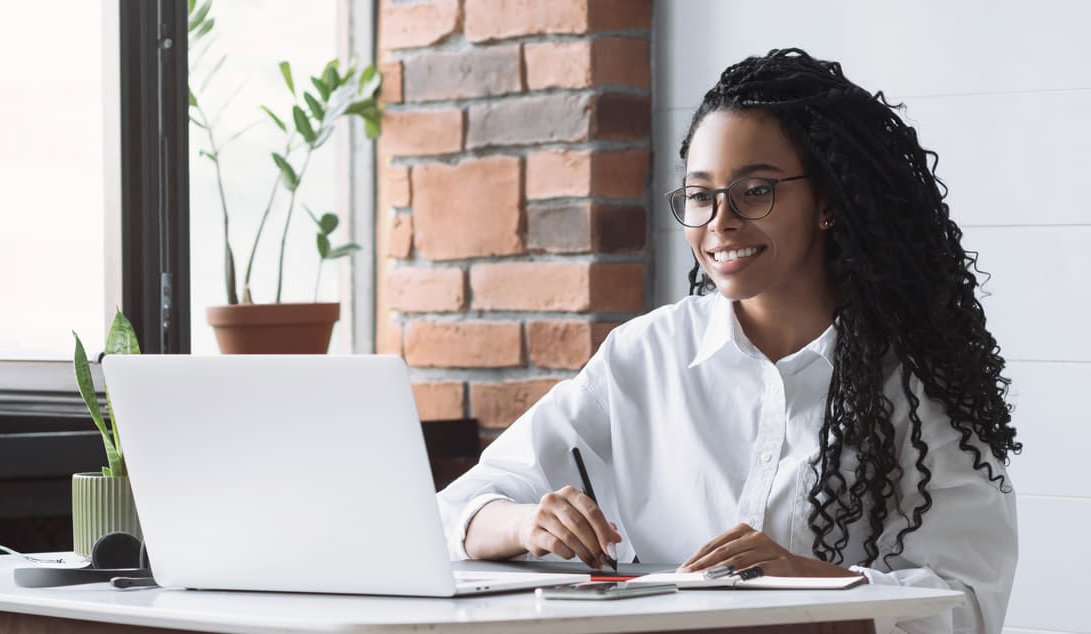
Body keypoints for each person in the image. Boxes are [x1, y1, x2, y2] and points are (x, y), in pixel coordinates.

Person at [436, 48, 1020, 634]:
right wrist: (526, 523)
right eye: (700, 195)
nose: (720, 220)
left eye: (755, 190)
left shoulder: (915, 380)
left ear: (828, 203)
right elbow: (450, 513)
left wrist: (805, 585)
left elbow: (966, 602)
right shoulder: (645, 355)